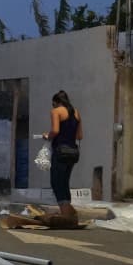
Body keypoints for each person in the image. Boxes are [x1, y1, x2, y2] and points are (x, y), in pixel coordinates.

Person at [41, 89, 83, 224]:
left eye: (53, 104)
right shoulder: (76, 113)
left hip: (60, 151)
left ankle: (66, 214)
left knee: (56, 182)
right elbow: (79, 136)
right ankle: (69, 211)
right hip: (73, 152)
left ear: (56, 102)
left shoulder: (56, 111)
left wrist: (47, 136)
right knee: (64, 182)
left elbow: (55, 130)